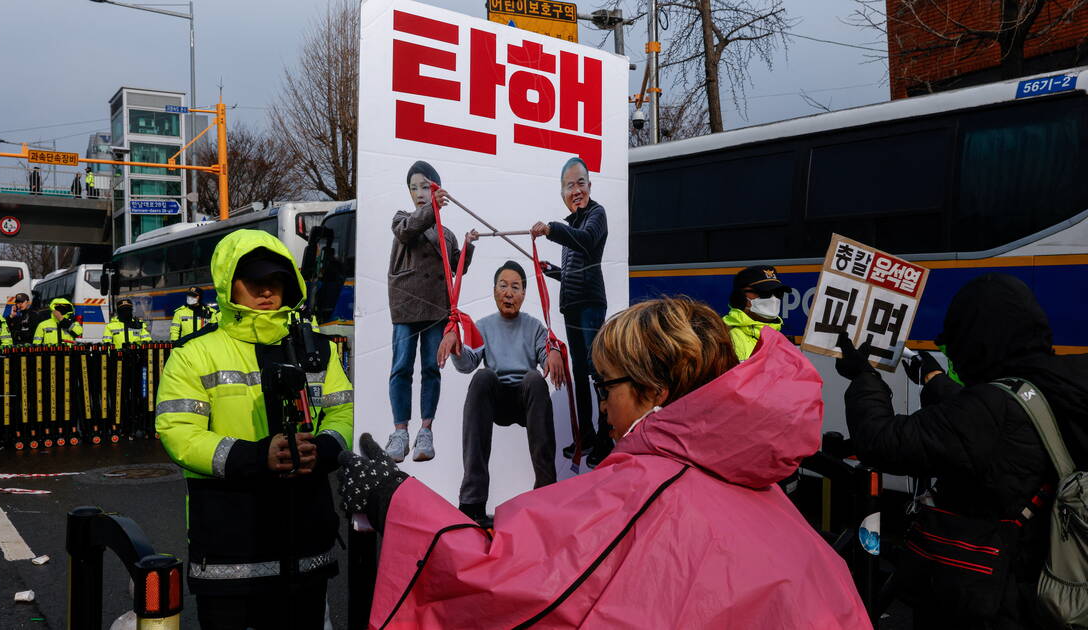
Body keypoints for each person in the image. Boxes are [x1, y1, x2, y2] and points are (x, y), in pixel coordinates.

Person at [338, 298, 871, 628]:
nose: (601, 407)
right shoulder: (764, 490)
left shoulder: (642, 488)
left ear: (654, 392)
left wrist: (391, 497)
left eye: (605, 386)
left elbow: (499, 583)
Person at [836, 273, 1088, 630]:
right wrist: (935, 382)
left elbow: (881, 441)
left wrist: (863, 378)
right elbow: (1009, 415)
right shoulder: (1067, 380)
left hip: (992, 598)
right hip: (1058, 580)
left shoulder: (989, 411)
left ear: (979, 339)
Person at [156, 229, 353, 630]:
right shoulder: (194, 353)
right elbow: (178, 432)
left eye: (275, 280)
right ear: (230, 285)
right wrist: (255, 456)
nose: (266, 290)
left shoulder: (317, 349)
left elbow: (344, 414)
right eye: (254, 281)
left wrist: (324, 450)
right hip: (231, 548)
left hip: (307, 546)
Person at [435, 261, 567, 526]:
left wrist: (553, 351)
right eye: (503, 286)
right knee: (482, 376)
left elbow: (545, 355)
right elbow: (468, 364)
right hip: (495, 399)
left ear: (523, 294)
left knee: (534, 379)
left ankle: (546, 494)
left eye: (515, 287)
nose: (508, 292)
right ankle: (472, 502)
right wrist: (455, 345)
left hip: (525, 398)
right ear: (494, 291)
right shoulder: (483, 326)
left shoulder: (534, 327)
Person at [385, 160, 475, 463]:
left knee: (430, 369)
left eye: (425, 186)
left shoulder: (447, 234)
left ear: (436, 187)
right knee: (401, 368)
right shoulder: (402, 218)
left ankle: (425, 430)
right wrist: (430, 210)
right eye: (414, 187)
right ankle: (400, 431)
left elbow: (458, 267)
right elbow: (407, 232)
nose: (419, 193)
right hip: (406, 306)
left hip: (436, 308)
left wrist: (468, 245)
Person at [531, 156, 610, 466]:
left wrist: (552, 229)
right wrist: (550, 270)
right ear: (562, 192)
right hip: (572, 305)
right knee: (579, 371)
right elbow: (573, 270)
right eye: (569, 185)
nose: (576, 190)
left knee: (597, 370)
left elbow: (588, 242)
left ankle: (605, 437)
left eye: (580, 183)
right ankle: (585, 435)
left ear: (589, 186)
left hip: (591, 303)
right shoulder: (573, 224)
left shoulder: (596, 215)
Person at [724, 264, 789, 361]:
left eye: (778, 293)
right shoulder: (724, 338)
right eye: (765, 293)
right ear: (740, 297)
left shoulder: (780, 339)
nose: (773, 299)